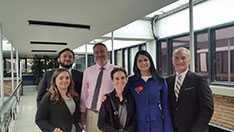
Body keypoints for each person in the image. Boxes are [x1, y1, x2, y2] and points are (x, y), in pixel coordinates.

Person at [167, 47, 214, 132]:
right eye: (176, 58)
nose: (179, 61)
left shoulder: (199, 80)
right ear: (172, 60)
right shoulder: (168, 81)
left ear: (189, 60)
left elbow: (207, 109)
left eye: (183, 58)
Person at [127, 50, 173, 132]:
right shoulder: (131, 82)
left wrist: (168, 129)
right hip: (138, 124)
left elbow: (165, 107)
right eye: (140, 61)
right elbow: (121, 97)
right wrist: (106, 97)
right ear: (136, 64)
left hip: (157, 124)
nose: (143, 63)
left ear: (150, 61)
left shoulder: (160, 81)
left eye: (145, 60)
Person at [80, 43, 115, 132]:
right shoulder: (88, 71)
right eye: (96, 52)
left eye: (102, 51)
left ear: (107, 53)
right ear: (94, 55)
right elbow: (84, 93)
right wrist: (82, 112)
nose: (99, 54)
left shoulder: (116, 70)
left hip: (109, 113)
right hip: (91, 113)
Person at [98, 67, 136, 132]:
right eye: (117, 78)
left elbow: (135, 119)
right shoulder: (107, 99)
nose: (120, 81)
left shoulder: (133, 97)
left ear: (127, 79)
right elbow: (101, 123)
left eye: (123, 78)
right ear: (112, 81)